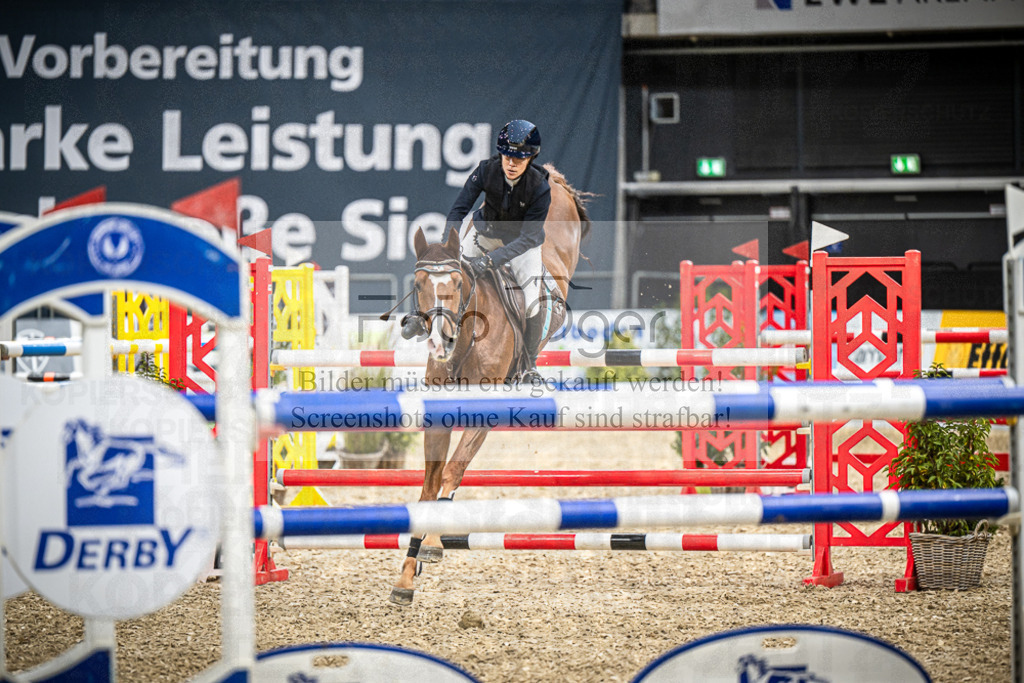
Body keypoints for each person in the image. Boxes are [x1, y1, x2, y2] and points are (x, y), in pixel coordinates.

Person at [445, 119, 551, 383]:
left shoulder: (540, 188)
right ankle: (430, 324)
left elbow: (527, 239)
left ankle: (529, 365)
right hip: (486, 235)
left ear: (530, 159)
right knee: (449, 274)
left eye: (519, 159)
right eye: (507, 157)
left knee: (531, 300)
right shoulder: (485, 170)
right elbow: (459, 209)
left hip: (522, 246)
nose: (511, 164)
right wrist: (448, 245)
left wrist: (490, 261)